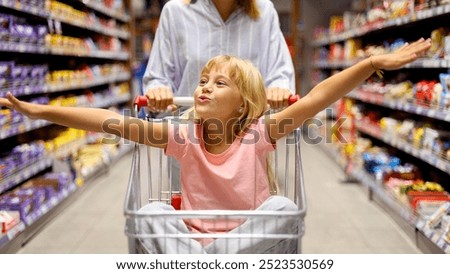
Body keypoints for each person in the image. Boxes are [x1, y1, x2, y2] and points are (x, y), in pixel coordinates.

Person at [0, 38, 431, 253]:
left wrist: (372, 62)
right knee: (148, 212)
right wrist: (41, 113)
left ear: (244, 103)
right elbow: (108, 122)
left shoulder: (260, 133)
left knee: (282, 209)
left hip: (248, 243)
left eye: (219, 83)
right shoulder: (184, 139)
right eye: (203, 81)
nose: (204, 88)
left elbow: (321, 96)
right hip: (192, 244)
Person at [143, 0, 295, 112]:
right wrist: (158, 91)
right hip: (188, 139)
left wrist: (279, 89)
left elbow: (280, 73)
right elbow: (158, 77)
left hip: (248, 140)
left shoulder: (265, 12)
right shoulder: (175, 12)